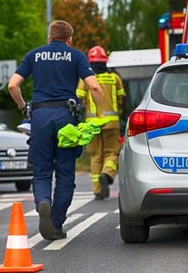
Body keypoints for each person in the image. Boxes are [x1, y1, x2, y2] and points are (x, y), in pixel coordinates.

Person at [8, 20, 104, 241]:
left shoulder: (34, 55)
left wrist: (23, 106)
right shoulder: (77, 55)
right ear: (69, 38)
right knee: (65, 174)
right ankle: (56, 223)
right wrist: (99, 115)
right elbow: (95, 87)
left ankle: (43, 202)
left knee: (41, 171)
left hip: (40, 116)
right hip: (66, 118)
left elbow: (13, 85)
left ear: (49, 37)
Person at [77, 46, 125, 200]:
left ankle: (97, 190)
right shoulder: (115, 78)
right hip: (112, 123)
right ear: (106, 60)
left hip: (92, 125)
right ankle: (107, 173)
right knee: (112, 153)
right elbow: (122, 100)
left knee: (95, 156)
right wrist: (119, 114)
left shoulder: (85, 79)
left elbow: (79, 100)